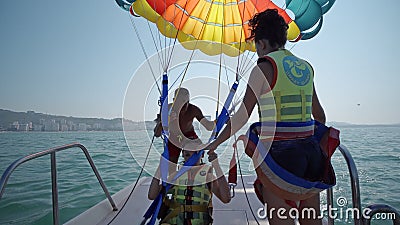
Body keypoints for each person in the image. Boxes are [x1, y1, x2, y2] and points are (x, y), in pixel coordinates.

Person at [206, 9, 331, 225]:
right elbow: (319, 115)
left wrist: (215, 143)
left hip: (280, 159)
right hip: (310, 155)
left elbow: (242, 116)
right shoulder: (306, 67)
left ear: (262, 43)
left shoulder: (264, 67)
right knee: (312, 220)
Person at [148, 150, 231, 225]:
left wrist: (216, 165)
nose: (188, 151)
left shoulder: (208, 177)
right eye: (186, 149)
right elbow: (152, 195)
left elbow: (226, 198)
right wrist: (161, 166)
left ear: (202, 154)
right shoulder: (175, 176)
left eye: (193, 149)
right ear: (183, 154)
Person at [154, 88, 215, 171]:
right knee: (171, 163)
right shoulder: (167, 109)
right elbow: (157, 134)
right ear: (174, 100)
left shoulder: (194, 110)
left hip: (189, 136)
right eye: (179, 102)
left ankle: (197, 176)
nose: (183, 106)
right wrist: (165, 120)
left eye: (185, 102)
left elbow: (209, 126)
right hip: (174, 137)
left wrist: (219, 120)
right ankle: (172, 181)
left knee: (197, 156)